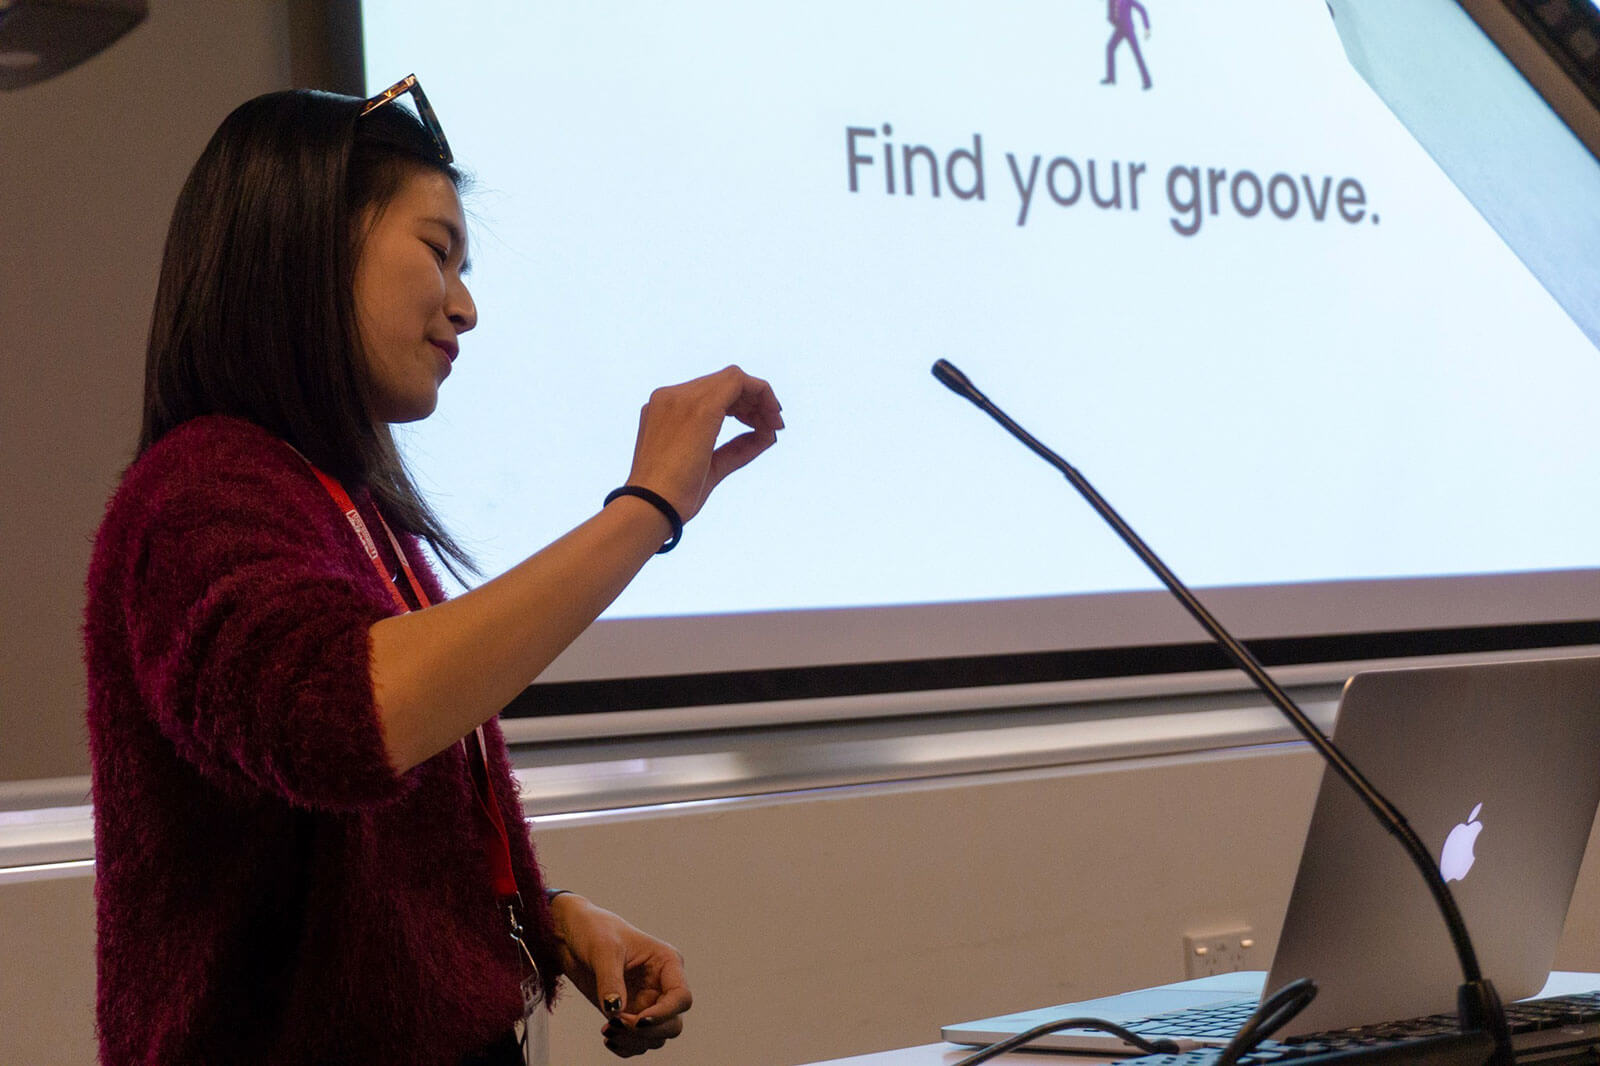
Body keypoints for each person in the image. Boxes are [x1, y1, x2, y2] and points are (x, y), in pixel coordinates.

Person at [82, 76, 783, 1065]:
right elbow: (343, 723)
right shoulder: (197, 490)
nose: (465, 305)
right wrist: (645, 509)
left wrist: (546, 918)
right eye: (437, 252)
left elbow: (353, 842)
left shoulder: (339, 504)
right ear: (308, 242)